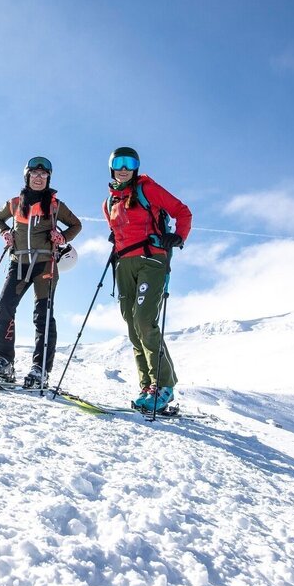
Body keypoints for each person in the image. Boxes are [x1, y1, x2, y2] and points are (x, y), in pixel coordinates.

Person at [103, 146, 192, 412]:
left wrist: (178, 237)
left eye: (129, 163)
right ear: (111, 167)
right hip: (124, 265)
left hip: (151, 260)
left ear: (136, 167)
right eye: (118, 163)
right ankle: (147, 386)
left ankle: (164, 385)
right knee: (132, 325)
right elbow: (118, 229)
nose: (123, 168)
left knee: (144, 320)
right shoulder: (109, 203)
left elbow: (183, 212)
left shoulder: (147, 189)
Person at [0, 157, 82, 389]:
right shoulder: (15, 203)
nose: (39, 178)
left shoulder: (56, 205)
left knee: (43, 316)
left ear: (49, 178)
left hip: (45, 266)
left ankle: (40, 369)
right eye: (34, 174)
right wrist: (5, 232)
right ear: (27, 177)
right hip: (18, 263)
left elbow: (76, 225)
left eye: (43, 175)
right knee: (4, 306)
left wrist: (63, 238)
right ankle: (4, 361)